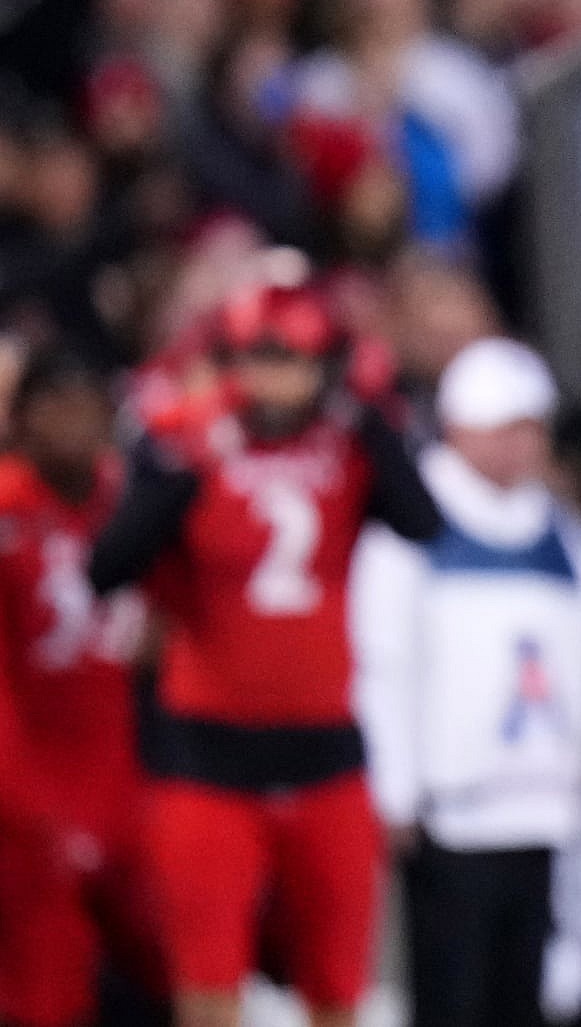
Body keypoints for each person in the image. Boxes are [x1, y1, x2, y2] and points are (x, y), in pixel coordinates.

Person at [86, 269, 444, 1027]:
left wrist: (371, 417)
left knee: (338, 992)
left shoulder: (349, 446)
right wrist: (174, 467)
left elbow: (422, 521)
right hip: (209, 756)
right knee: (210, 989)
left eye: (291, 361)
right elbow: (106, 564)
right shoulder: (188, 443)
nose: (272, 381)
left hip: (325, 754)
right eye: (257, 358)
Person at [350, 336, 581, 1027]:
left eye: (535, 426)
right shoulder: (413, 522)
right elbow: (383, 660)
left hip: (545, 810)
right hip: (453, 812)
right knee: (453, 997)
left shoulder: (554, 526)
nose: (526, 445)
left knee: (525, 998)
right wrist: (394, 786)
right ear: (462, 430)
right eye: (510, 428)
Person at [0, 348, 159, 1027]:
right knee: (46, 990)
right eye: (53, 406)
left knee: (177, 967)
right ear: (21, 418)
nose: (71, 423)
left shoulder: (131, 499)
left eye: (86, 406)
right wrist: (29, 807)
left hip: (129, 776)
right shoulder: (7, 507)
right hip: (30, 781)